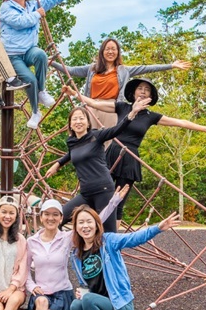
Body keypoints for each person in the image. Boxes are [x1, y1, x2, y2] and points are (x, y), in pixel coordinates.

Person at [66, 78, 206, 219]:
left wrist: (204, 128)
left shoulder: (151, 116)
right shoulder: (122, 107)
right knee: (98, 192)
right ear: (133, 93)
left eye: (146, 90)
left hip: (129, 159)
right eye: (140, 88)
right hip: (112, 152)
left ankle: (113, 237)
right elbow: (94, 103)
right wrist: (74, 94)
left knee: (118, 202)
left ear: (150, 96)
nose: (142, 91)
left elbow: (180, 122)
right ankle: (89, 229)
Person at [24, 186, 127, 310]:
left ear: (61, 218)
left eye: (55, 215)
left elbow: (95, 222)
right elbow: (24, 271)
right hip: (41, 292)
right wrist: (32, 287)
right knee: (41, 303)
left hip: (61, 291)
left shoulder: (66, 238)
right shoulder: (31, 242)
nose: (51, 218)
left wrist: (114, 202)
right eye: (47, 214)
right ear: (41, 217)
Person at [69, 205, 182, 310]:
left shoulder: (108, 241)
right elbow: (84, 283)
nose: (85, 226)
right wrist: (82, 290)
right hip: (99, 303)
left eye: (89, 221)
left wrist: (157, 228)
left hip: (119, 306)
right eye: (81, 222)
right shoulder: (76, 254)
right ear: (75, 227)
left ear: (96, 224)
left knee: (88, 300)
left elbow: (133, 238)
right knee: (75, 305)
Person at [0, 0, 90, 129]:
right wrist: (37, 14)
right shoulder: (6, 7)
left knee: (41, 54)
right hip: (13, 55)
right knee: (30, 80)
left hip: (29, 51)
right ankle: (35, 112)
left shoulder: (33, 5)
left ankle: (41, 91)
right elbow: (20, 22)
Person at [44, 100, 150, 233]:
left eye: (81, 118)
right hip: (86, 193)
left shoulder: (96, 136)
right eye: (74, 119)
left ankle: (108, 248)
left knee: (108, 232)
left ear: (88, 123)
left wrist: (132, 113)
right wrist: (57, 164)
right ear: (70, 124)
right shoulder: (72, 143)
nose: (78, 122)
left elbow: (116, 130)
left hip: (103, 190)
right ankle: (67, 245)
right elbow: (71, 153)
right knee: (59, 218)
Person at [52, 37, 191, 129]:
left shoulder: (124, 70)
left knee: (108, 142)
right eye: (107, 49)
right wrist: (52, 62)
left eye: (113, 49)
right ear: (102, 52)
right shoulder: (92, 69)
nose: (110, 52)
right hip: (91, 105)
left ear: (118, 52)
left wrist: (171, 65)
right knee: (89, 141)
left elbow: (146, 68)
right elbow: (70, 70)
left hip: (111, 108)